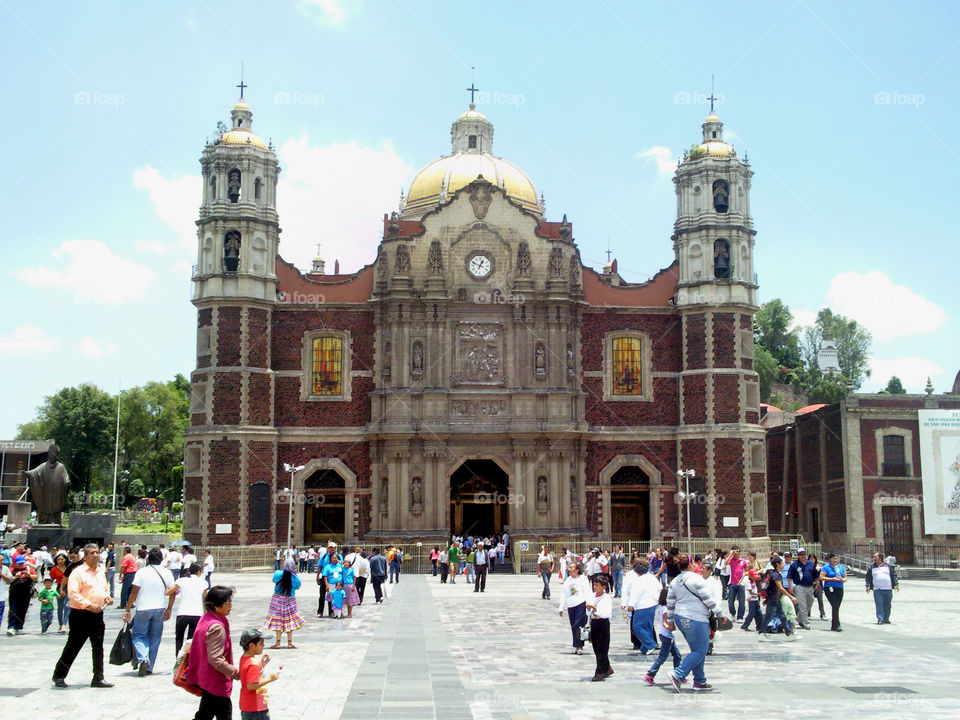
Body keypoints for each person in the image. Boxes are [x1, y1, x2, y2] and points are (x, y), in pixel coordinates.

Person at [51, 543, 114, 688]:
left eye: (97, 552)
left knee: (98, 647)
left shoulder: (100, 571)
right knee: (73, 646)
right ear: (85, 556)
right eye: (92, 553)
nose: (95, 555)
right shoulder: (78, 572)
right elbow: (73, 594)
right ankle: (59, 675)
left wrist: (107, 597)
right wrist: (89, 605)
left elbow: (104, 589)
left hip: (97, 614)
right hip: (80, 615)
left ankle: (98, 678)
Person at [664, 554, 719, 692]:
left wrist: (670, 620)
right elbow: (708, 599)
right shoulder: (697, 579)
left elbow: (670, 602)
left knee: (697, 649)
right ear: (690, 564)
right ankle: (678, 674)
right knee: (701, 649)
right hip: (696, 618)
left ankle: (700, 680)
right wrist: (720, 613)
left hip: (680, 617)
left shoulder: (675, 581)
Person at [187, 586, 239, 720]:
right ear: (215, 606)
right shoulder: (216, 627)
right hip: (216, 680)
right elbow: (215, 658)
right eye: (227, 602)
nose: (231, 605)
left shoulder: (205, 619)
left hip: (206, 678)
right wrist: (237, 673)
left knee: (204, 714)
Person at [123, 547, 176, 676]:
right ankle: (149, 666)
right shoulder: (167, 572)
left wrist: (128, 609)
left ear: (148, 558)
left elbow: (134, 593)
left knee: (139, 635)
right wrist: (169, 608)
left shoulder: (141, 572)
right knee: (155, 637)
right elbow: (173, 592)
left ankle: (143, 658)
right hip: (159, 608)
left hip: (143, 608)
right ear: (161, 559)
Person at [644, 588, 684, 686]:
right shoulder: (666, 609)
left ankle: (678, 675)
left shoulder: (663, 607)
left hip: (667, 636)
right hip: (667, 636)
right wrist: (669, 627)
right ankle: (650, 674)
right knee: (662, 657)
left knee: (677, 655)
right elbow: (665, 622)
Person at [239, 627, 279, 720]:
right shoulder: (253, 664)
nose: (263, 645)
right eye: (261, 643)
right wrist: (269, 679)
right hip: (256, 707)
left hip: (247, 705)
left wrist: (262, 665)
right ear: (252, 645)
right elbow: (251, 685)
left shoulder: (244, 659)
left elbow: (249, 674)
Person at [167, 562, 206, 656]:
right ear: (199, 572)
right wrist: (206, 615)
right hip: (197, 613)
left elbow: (169, 592)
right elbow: (204, 599)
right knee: (191, 640)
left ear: (189, 571)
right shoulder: (204, 583)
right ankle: (188, 660)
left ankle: (178, 658)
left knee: (179, 638)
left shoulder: (181, 581)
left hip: (183, 613)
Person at [626, 559, 661, 654]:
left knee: (637, 626)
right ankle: (645, 647)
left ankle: (650, 644)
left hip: (642, 606)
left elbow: (635, 594)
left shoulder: (639, 581)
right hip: (652, 604)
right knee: (647, 626)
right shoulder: (652, 577)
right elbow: (659, 589)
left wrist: (631, 604)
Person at [266, 559, 304, 647]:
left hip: (277, 599)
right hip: (290, 599)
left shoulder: (277, 574)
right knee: (289, 620)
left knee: (277, 620)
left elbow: (274, 580)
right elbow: (297, 587)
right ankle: (289, 643)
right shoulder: (296, 578)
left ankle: (278, 643)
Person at [759, 556, 797, 640]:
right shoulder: (775, 575)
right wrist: (791, 597)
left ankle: (789, 634)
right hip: (773, 599)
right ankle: (761, 633)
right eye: (782, 562)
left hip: (776, 599)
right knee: (768, 616)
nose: (783, 564)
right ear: (778, 564)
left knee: (782, 616)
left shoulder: (775, 574)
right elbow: (780, 588)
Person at [557, 559, 590, 654]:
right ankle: (577, 645)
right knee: (573, 626)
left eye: (571, 567)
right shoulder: (568, 580)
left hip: (581, 604)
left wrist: (588, 603)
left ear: (577, 570)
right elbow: (564, 593)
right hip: (571, 605)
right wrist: (561, 606)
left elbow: (587, 591)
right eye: (569, 567)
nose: (569, 569)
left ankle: (579, 646)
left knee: (578, 625)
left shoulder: (583, 579)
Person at [585, 575, 613, 681]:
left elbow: (607, 613)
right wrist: (589, 609)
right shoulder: (592, 596)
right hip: (594, 623)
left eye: (597, 585)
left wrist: (596, 609)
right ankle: (607, 668)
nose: (595, 587)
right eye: (594, 585)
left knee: (602, 648)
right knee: (596, 648)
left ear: (603, 586)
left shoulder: (606, 598)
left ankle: (599, 672)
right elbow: (588, 612)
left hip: (603, 624)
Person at [6, 555, 36, 634]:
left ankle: (19, 627)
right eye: (19, 563)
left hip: (26, 593)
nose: (21, 565)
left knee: (23, 610)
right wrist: (16, 577)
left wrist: (30, 575)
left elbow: (35, 577)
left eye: (22, 563)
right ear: (15, 563)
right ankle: (11, 627)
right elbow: (8, 580)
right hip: (14, 593)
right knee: (13, 610)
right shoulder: (12, 570)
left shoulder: (28, 569)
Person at [866, 552, 899, 624]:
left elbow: (893, 575)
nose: (874, 558)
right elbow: (868, 577)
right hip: (877, 589)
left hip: (888, 588)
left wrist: (896, 584)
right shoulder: (872, 567)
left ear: (880, 558)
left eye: (875, 557)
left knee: (887, 604)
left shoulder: (887, 566)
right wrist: (868, 585)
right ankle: (880, 619)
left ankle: (886, 618)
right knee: (879, 604)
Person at [788, 548, 817, 629]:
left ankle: (799, 618)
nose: (803, 556)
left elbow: (815, 575)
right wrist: (790, 586)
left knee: (810, 603)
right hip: (799, 586)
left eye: (804, 554)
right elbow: (789, 577)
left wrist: (817, 583)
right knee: (803, 605)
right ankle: (805, 623)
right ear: (798, 556)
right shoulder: (794, 565)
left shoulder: (810, 564)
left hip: (810, 586)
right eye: (801, 554)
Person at [819, 553, 847, 631]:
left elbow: (845, 577)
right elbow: (821, 577)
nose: (835, 560)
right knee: (835, 605)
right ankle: (837, 624)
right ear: (830, 559)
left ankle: (834, 624)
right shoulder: (826, 567)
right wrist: (832, 579)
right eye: (833, 558)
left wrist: (843, 580)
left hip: (839, 587)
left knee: (837, 606)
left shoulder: (840, 567)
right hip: (830, 588)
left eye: (836, 558)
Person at [725, 546, 748, 621]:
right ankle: (733, 613)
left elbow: (747, 570)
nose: (735, 554)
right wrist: (730, 554)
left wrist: (746, 575)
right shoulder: (731, 560)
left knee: (741, 601)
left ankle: (740, 617)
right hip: (732, 583)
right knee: (730, 601)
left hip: (740, 583)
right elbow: (725, 563)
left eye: (736, 553)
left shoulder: (743, 561)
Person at [321, 552, 344, 617]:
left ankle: (339, 612)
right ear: (330, 559)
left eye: (335, 558)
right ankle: (332, 612)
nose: (334, 559)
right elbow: (325, 576)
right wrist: (326, 585)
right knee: (331, 599)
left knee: (339, 599)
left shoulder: (340, 565)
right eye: (332, 558)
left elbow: (346, 568)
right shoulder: (328, 566)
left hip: (340, 585)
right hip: (331, 584)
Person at [809, 553, 826, 620]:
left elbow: (820, 578)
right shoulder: (807, 567)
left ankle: (822, 614)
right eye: (810, 559)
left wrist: (820, 586)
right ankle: (808, 613)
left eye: (813, 559)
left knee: (820, 599)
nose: (812, 560)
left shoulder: (818, 568)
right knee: (809, 600)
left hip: (818, 585)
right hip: (810, 585)